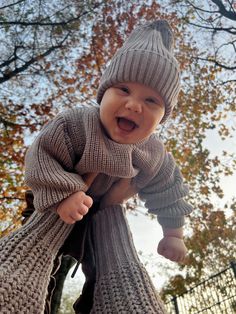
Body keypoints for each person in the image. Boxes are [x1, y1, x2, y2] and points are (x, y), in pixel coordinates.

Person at [0, 20, 193, 313]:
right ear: (104, 92)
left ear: (163, 117)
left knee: (117, 261)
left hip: (103, 215)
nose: (134, 105)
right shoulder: (78, 124)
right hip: (56, 200)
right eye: (124, 89)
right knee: (31, 249)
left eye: (152, 100)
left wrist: (173, 233)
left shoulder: (153, 153)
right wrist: (65, 192)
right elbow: (42, 154)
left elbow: (170, 190)